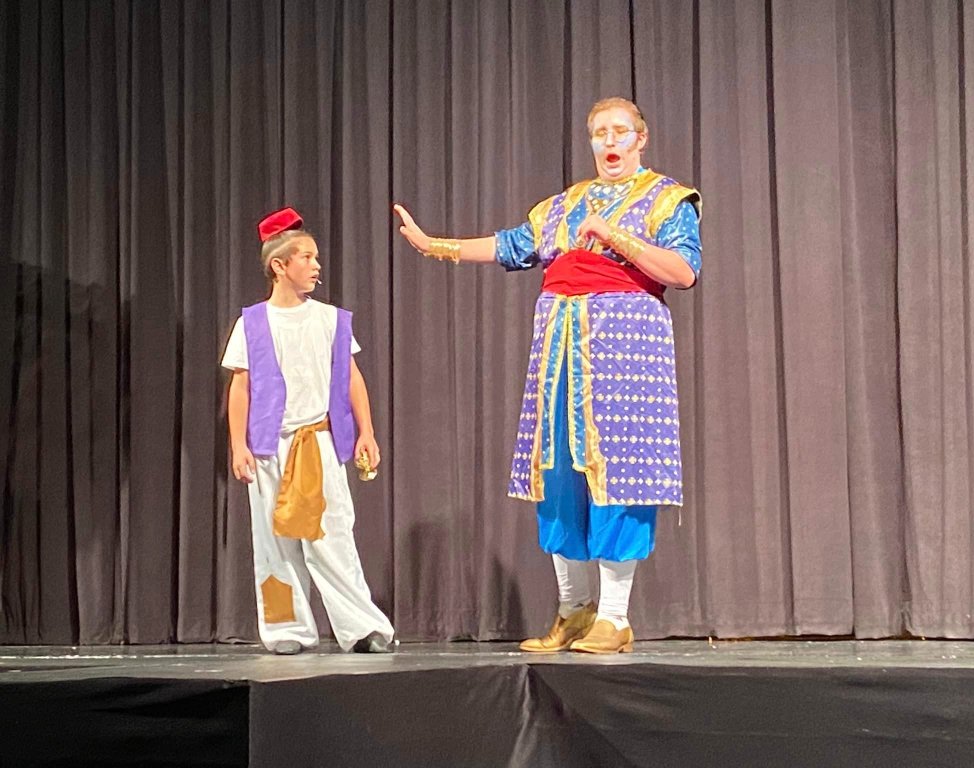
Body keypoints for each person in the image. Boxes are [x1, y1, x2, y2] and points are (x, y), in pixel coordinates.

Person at [393, 97, 702, 654]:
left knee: (619, 474)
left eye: (620, 132)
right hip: (561, 351)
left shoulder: (667, 199)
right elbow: (512, 246)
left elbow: (682, 271)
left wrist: (613, 235)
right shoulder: (564, 204)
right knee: (556, 472)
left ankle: (614, 617)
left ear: (641, 138)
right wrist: (432, 245)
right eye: (599, 133)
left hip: (625, 352)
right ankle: (573, 611)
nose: (609, 142)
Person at [221, 206, 395, 654]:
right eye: (307, 258)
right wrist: (238, 443)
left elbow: (352, 376)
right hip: (268, 447)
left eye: (316, 258)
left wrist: (366, 432)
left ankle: (361, 628)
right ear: (280, 265)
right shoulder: (253, 322)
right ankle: (286, 630)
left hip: (317, 442)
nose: (317, 265)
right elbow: (241, 386)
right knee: (275, 545)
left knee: (333, 536)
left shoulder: (330, 319)